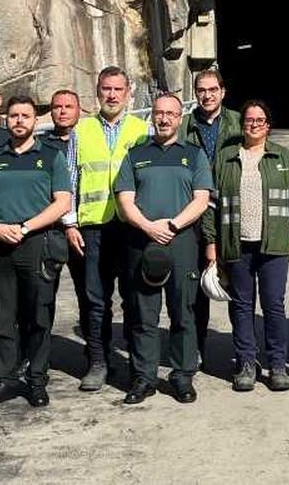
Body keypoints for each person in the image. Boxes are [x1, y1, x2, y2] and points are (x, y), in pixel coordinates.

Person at [0, 96, 72, 407]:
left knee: (37, 315)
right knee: (2, 315)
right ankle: (3, 379)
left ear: (35, 120)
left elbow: (62, 202)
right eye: (13, 116)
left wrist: (25, 227)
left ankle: (36, 379)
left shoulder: (51, 155)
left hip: (35, 243)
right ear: (5, 119)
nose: (19, 121)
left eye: (25, 115)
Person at [204, 99, 289, 392]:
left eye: (259, 120)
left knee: (274, 305)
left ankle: (277, 365)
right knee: (241, 305)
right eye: (248, 120)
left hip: (274, 245)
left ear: (268, 126)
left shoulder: (284, 158)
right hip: (236, 244)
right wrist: (211, 243)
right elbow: (211, 205)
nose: (253, 124)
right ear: (242, 124)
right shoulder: (225, 159)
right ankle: (246, 363)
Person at [116, 93, 212, 405]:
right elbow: (125, 200)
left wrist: (171, 226)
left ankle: (182, 376)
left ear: (179, 118)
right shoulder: (136, 154)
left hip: (181, 240)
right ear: (152, 116)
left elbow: (201, 199)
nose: (164, 118)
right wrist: (148, 226)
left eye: (171, 113)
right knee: (143, 314)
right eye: (159, 113)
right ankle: (143, 378)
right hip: (142, 240)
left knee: (183, 311)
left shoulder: (194, 155)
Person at [62, 67, 149, 392]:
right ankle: (98, 362)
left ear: (128, 93)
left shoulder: (143, 129)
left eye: (118, 89)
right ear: (97, 92)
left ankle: (135, 363)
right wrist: (70, 222)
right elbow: (70, 180)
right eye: (105, 89)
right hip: (93, 227)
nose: (111, 95)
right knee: (96, 300)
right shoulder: (81, 130)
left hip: (130, 228)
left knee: (133, 298)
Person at [185, 69, 242, 362]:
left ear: (222, 92)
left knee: (238, 284)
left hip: (232, 211)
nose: (207, 95)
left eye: (212, 90)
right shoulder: (186, 124)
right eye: (201, 90)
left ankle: (244, 352)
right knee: (196, 286)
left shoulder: (238, 122)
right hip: (195, 211)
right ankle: (196, 347)